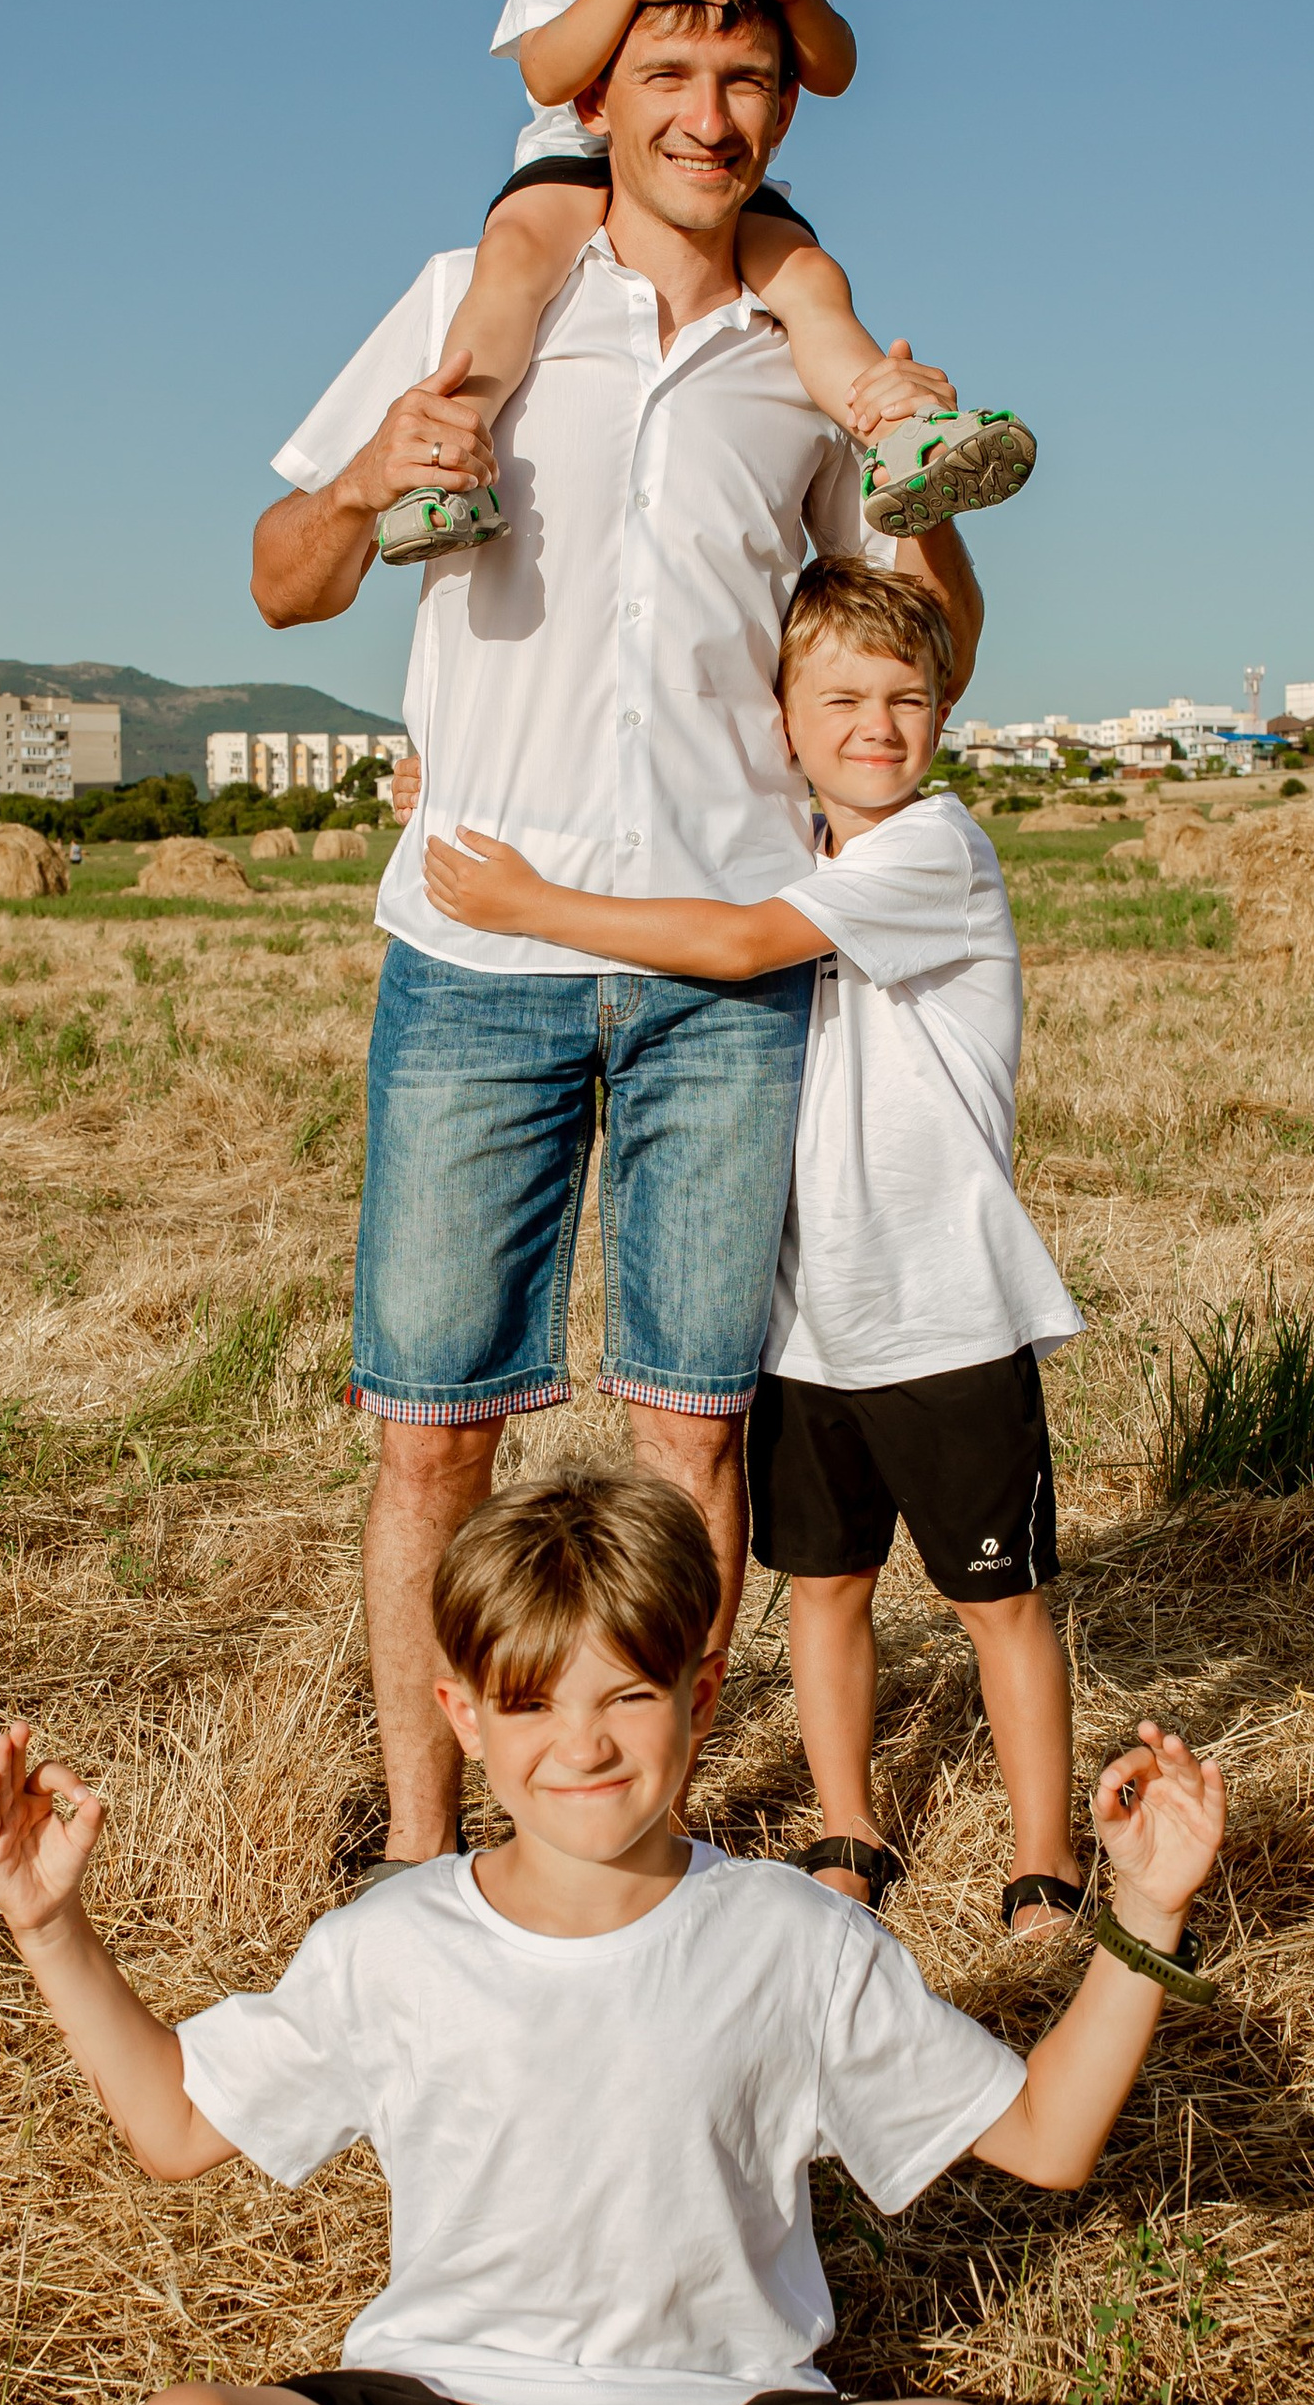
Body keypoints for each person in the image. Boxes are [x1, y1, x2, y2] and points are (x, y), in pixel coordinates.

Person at [0, 1470, 1226, 2405]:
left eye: (625, 1694)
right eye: (529, 1703)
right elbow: (170, 2124)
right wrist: (49, 1927)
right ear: (459, 1715)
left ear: (698, 1697)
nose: (581, 1745)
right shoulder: (389, 1948)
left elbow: (1046, 2137)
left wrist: (1144, 1917)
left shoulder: (793, 1937)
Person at [252, 0, 991, 1884]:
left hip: (717, 979)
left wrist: (915, 481)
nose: (707, 110)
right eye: (665, 72)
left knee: (692, 1436)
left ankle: (651, 1820)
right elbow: (279, 578)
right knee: (429, 1437)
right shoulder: (471, 302)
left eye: (745, 76)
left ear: (782, 104)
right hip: (474, 958)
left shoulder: (794, 345)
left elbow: (907, 643)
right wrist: (363, 488)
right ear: (593, 97)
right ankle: (422, 1850)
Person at [427, 561, 1090, 1939]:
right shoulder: (795, 840)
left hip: (947, 1310)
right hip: (803, 1324)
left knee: (999, 1602)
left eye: (909, 698)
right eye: (841, 696)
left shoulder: (935, 848)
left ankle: (1045, 1862)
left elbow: (731, 941)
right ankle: (850, 1830)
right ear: (779, 717)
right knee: (825, 1594)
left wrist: (531, 907)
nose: (878, 724)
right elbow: (659, 831)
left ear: (947, 712)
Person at [372, 0, 1037, 568]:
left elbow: (835, 70)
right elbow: (545, 72)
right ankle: (449, 462)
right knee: (514, 265)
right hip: (576, 155)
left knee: (808, 279)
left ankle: (896, 429)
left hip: (714, 179)